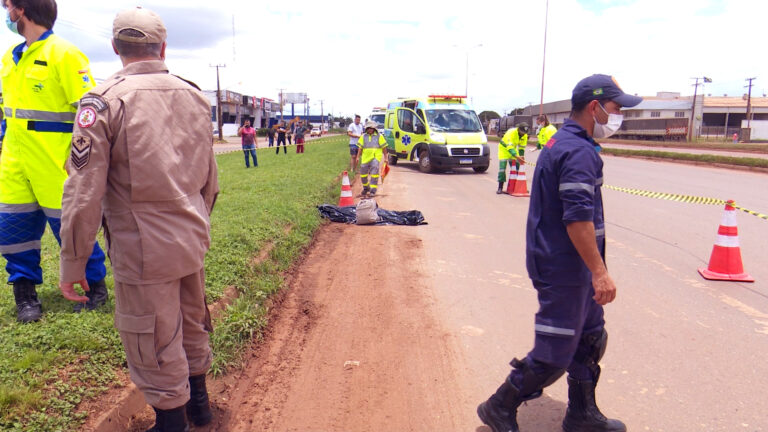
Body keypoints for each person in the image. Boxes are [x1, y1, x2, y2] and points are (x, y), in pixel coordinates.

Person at [57, 7, 219, 431]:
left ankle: (172, 424)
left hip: (142, 246)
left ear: (115, 48)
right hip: (191, 235)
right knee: (190, 320)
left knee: (151, 336)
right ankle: (200, 408)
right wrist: (198, 224)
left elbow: (83, 191)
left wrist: (74, 261)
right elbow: (210, 181)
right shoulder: (194, 95)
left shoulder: (104, 101)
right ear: (162, 47)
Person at [477, 74, 641, 432]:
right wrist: (600, 272)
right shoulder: (576, 151)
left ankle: (582, 414)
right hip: (562, 265)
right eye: (615, 109)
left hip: (576, 264)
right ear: (594, 107)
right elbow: (577, 218)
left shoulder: (572, 143)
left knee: (590, 338)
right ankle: (498, 406)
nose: (618, 117)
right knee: (556, 351)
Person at [0, 0, 108, 322]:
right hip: (15, 164)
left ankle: (95, 287)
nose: (6, 13)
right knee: (12, 231)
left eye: (8, 6)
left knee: (72, 230)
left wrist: (77, 161)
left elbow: (92, 115)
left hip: (56, 164)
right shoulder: (9, 59)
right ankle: (25, 296)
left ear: (23, 10)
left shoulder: (65, 54)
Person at [355, 120, 388, 198]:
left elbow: (384, 147)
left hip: (375, 157)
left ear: (374, 129)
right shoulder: (363, 136)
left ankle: (373, 190)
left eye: (371, 128)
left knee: (374, 174)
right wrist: (357, 157)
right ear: (366, 129)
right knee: (363, 175)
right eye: (368, 128)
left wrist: (386, 157)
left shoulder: (379, 136)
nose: (370, 129)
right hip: (365, 158)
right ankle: (366, 188)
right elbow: (360, 148)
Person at [496, 123, 528, 194]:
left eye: (524, 133)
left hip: (513, 149)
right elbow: (509, 147)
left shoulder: (525, 135)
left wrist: (521, 157)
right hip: (504, 149)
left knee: (517, 166)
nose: (523, 134)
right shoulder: (511, 132)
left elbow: (522, 148)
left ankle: (517, 186)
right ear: (519, 129)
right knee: (502, 168)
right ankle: (500, 187)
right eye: (522, 132)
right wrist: (517, 156)